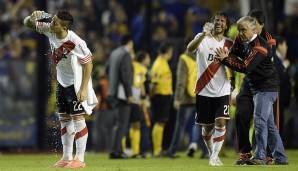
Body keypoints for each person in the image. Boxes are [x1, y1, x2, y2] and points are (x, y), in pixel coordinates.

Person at [23, 11, 98, 168]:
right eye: (53, 19)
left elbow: (89, 63)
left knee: (78, 120)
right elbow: (26, 24)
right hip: (61, 83)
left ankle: (80, 159)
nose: (52, 23)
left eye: (55, 22)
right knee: (64, 121)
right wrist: (32, 17)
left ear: (64, 27)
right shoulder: (49, 29)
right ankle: (66, 157)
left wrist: (83, 89)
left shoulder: (75, 41)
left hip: (74, 84)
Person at [215, 16, 288, 165]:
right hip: (256, 87)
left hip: (266, 88)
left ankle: (260, 157)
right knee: (269, 125)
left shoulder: (260, 47)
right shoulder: (241, 40)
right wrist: (229, 56)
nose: (240, 33)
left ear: (254, 30)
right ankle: (281, 157)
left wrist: (225, 59)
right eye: (239, 29)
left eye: (244, 30)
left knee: (259, 121)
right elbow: (234, 52)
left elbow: (245, 68)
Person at [234, 9, 281, 165]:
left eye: (253, 23)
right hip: (250, 82)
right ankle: (246, 153)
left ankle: (264, 155)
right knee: (243, 114)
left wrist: (227, 60)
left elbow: (249, 64)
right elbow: (236, 53)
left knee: (262, 121)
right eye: (249, 22)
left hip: (265, 83)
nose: (251, 25)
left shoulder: (267, 41)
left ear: (260, 25)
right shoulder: (243, 37)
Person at [187, 12, 233, 166]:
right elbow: (189, 48)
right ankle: (211, 152)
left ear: (226, 25)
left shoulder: (229, 44)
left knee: (220, 122)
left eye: (222, 20)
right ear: (212, 23)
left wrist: (232, 79)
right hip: (204, 89)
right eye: (216, 20)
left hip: (223, 89)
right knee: (207, 129)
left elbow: (235, 64)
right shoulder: (202, 37)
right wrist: (202, 35)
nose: (219, 22)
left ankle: (214, 157)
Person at [165, 40, 208, 159]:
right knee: (202, 125)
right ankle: (205, 151)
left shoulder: (183, 58)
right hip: (200, 96)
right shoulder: (201, 57)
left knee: (180, 125)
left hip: (186, 99)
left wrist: (177, 98)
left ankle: (172, 151)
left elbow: (181, 80)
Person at [106, 34, 134, 159]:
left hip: (112, 91)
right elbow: (126, 76)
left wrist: (113, 82)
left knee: (118, 123)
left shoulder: (114, 53)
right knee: (122, 124)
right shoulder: (125, 55)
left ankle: (117, 150)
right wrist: (129, 94)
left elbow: (107, 70)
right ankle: (115, 151)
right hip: (121, 94)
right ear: (129, 43)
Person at [150, 42, 173, 157]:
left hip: (164, 96)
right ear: (168, 52)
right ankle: (156, 150)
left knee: (161, 123)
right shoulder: (158, 64)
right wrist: (151, 97)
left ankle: (158, 149)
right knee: (159, 122)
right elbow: (154, 83)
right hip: (160, 96)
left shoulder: (163, 62)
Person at [129, 51, 151, 158]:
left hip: (127, 98)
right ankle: (136, 152)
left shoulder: (131, 65)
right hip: (135, 100)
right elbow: (139, 84)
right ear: (143, 59)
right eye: (148, 58)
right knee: (137, 125)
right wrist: (144, 99)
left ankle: (128, 150)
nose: (149, 60)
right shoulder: (141, 69)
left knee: (128, 125)